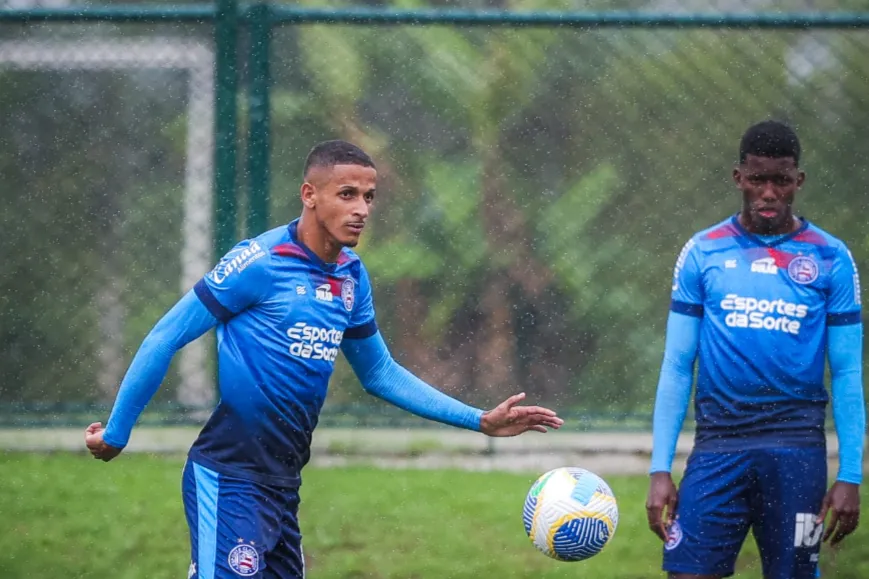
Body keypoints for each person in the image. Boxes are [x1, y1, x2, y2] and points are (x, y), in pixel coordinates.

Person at [84, 140, 563, 578]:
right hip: (229, 474)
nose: (361, 210)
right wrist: (118, 431)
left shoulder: (351, 277)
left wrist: (478, 419)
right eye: (347, 194)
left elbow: (380, 373)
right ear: (310, 194)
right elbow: (165, 336)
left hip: (281, 483)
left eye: (369, 198)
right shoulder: (259, 262)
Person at [645, 120, 864, 579]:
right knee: (686, 573)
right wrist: (660, 469)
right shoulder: (703, 252)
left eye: (781, 181)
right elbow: (677, 364)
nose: (768, 193)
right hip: (718, 445)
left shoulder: (831, 258)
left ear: (797, 181)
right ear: (738, 177)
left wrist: (850, 475)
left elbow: (846, 372)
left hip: (797, 448)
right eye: (758, 179)